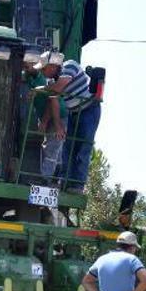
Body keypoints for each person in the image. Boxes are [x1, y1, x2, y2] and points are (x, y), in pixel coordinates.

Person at [38, 51, 101, 193]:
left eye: (43, 68)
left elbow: (59, 87)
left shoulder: (70, 66)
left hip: (89, 110)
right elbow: (53, 100)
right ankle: (65, 183)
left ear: (53, 66)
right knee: (68, 148)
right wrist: (59, 125)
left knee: (83, 147)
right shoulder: (51, 82)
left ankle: (77, 185)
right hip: (73, 113)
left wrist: (41, 89)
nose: (42, 72)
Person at [22, 58, 68, 181]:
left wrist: (44, 122)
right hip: (48, 116)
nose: (26, 67)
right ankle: (56, 178)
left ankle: (45, 179)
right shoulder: (29, 77)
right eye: (24, 66)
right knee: (56, 150)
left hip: (57, 115)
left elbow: (51, 101)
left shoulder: (42, 78)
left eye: (28, 65)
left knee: (51, 148)